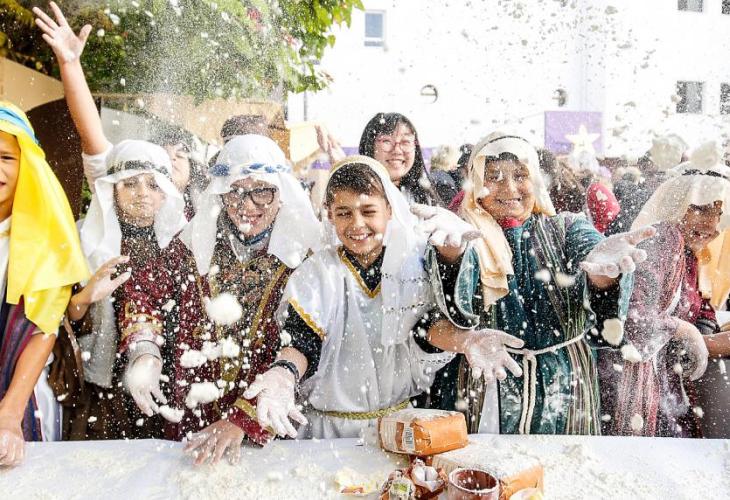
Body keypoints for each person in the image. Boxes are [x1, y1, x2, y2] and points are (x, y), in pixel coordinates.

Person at [243, 156, 519, 439]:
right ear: (330, 215)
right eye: (344, 213)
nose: (357, 224)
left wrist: (467, 340)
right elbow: (303, 340)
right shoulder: (318, 271)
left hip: (397, 425)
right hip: (325, 430)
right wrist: (285, 373)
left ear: (389, 209)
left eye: (368, 211)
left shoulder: (411, 266)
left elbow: (425, 329)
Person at [424, 132, 651, 435]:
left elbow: (597, 259)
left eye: (521, 175)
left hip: (564, 388)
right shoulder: (461, 235)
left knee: (568, 460)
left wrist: (603, 279)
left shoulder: (567, 228)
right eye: (494, 176)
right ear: (476, 182)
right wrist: (450, 258)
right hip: (486, 383)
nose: (509, 188)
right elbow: (441, 315)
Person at [117, 135, 321, 464]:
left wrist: (245, 418)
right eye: (235, 191)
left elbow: (308, 341)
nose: (247, 205)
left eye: (262, 191)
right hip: (195, 413)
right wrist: (145, 351)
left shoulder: (306, 256)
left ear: (281, 192)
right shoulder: (193, 242)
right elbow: (145, 292)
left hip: (269, 416)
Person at [35, 3, 187, 440]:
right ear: (110, 189)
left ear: (168, 192)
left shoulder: (181, 241)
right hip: (96, 390)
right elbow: (60, 316)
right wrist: (70, 64)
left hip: (167, 389)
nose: (141, 194)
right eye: (130, 184)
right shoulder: (92, 238)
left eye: (153, 185)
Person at [600, 141, 729, 438]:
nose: (711, 224)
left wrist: (705, 334)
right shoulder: (662, 242)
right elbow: (635, 325)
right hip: (636, 387)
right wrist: (690, 334)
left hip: (662, 385)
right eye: (700, 209)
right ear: (676, 203)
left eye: (719, 213)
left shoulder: (687, 251)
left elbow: (700, 305)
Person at [0, 101, 89, 465]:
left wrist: (9, 414)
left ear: (27, 165)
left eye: (5, 158)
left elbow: (41, 330)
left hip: (21, 394)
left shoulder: (44, 238)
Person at [359, 113, 442, 206]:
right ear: (369, 147)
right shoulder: (354, 194)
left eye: (406, 142)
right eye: (387, 141)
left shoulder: (426, 196)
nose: (397, 150)